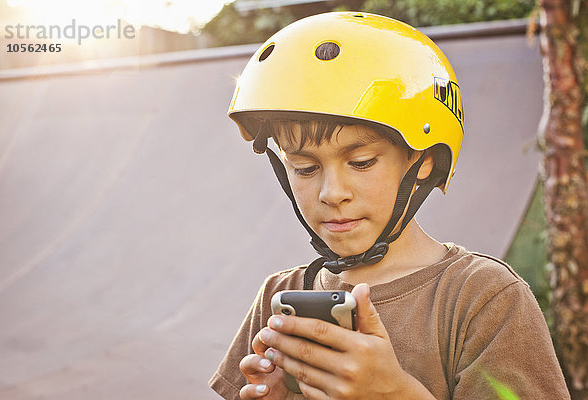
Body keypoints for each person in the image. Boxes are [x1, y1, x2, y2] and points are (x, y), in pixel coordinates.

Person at [209, 11, 570, 400]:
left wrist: (394, 393)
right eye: (305, 167)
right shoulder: (281, 295)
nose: (332, 192)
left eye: (361, 162)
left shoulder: (482, 299)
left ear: (423, 160)